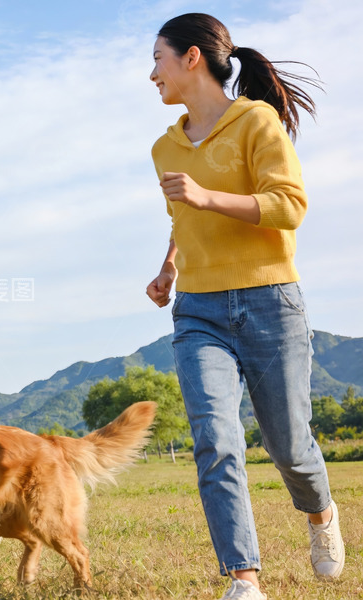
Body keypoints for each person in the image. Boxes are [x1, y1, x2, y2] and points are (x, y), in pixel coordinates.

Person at [146, 13, 344, 600]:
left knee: (290, 445)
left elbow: (288, 206)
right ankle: (244, 577)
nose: (150, 73)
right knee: (215, 437)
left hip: (269, 301)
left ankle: (321, 515)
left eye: (158, 58)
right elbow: (184, 218)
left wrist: (207, 195)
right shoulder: (164, 147)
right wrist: (169, 266)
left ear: (191, 59)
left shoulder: (256, 122)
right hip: (198, 311)